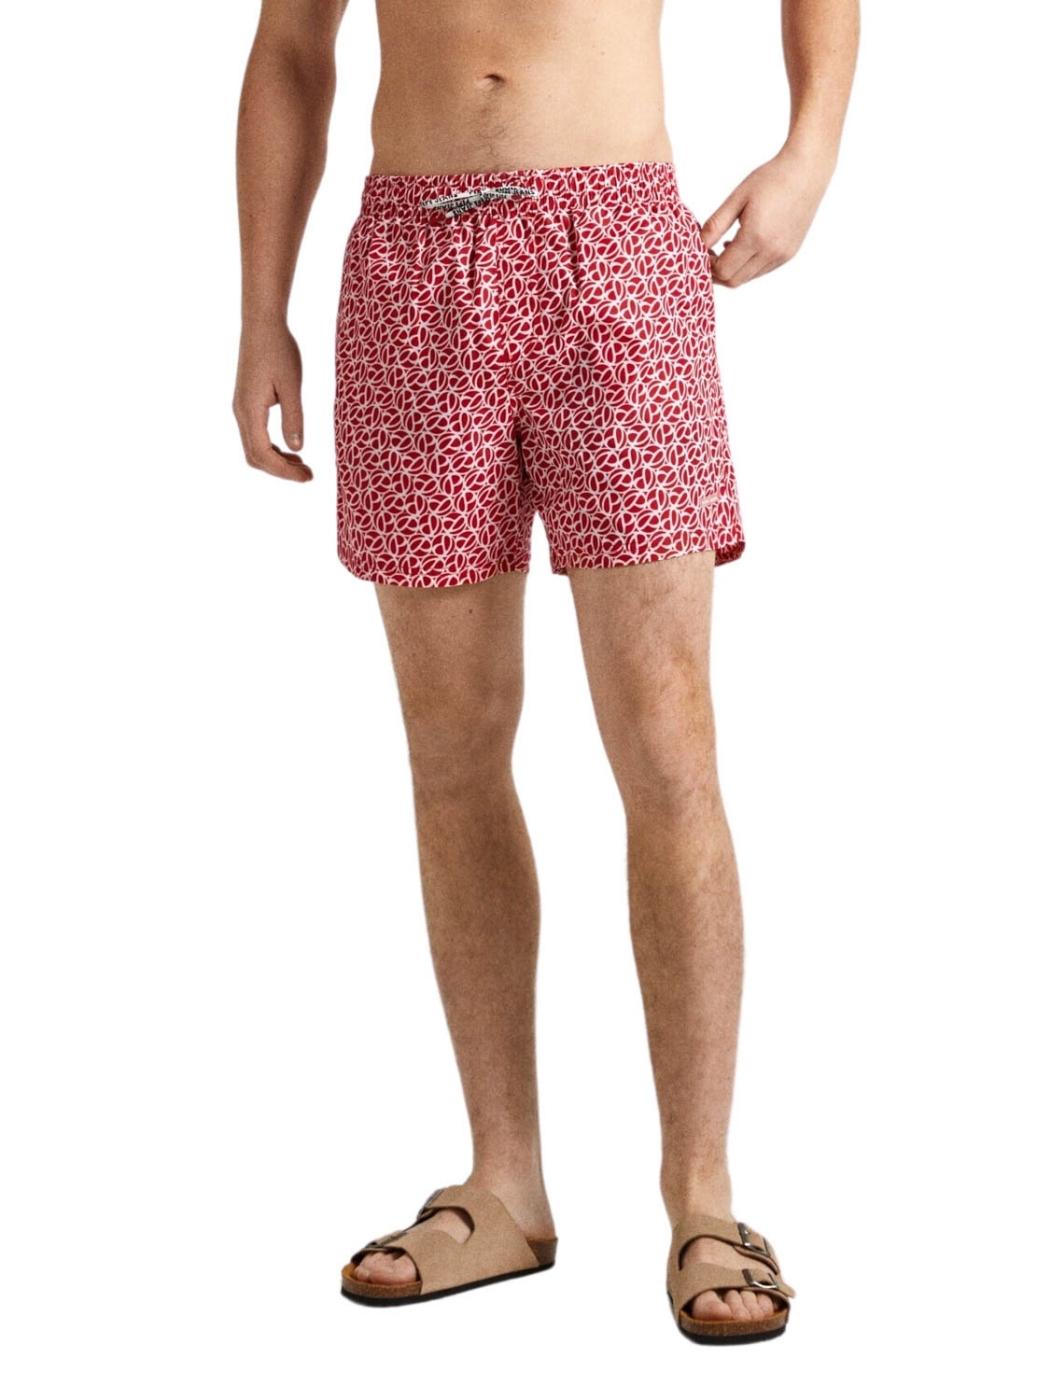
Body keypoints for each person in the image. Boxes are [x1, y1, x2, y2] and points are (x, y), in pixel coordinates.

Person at [233, 0, 857, 1345]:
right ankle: (503, 1185)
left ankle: (703, 1199)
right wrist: (259, 311)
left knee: (667, 740)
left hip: (616, 251)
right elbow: (290, 50)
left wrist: (808, 153)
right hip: (409, 259)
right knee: (451, 745)